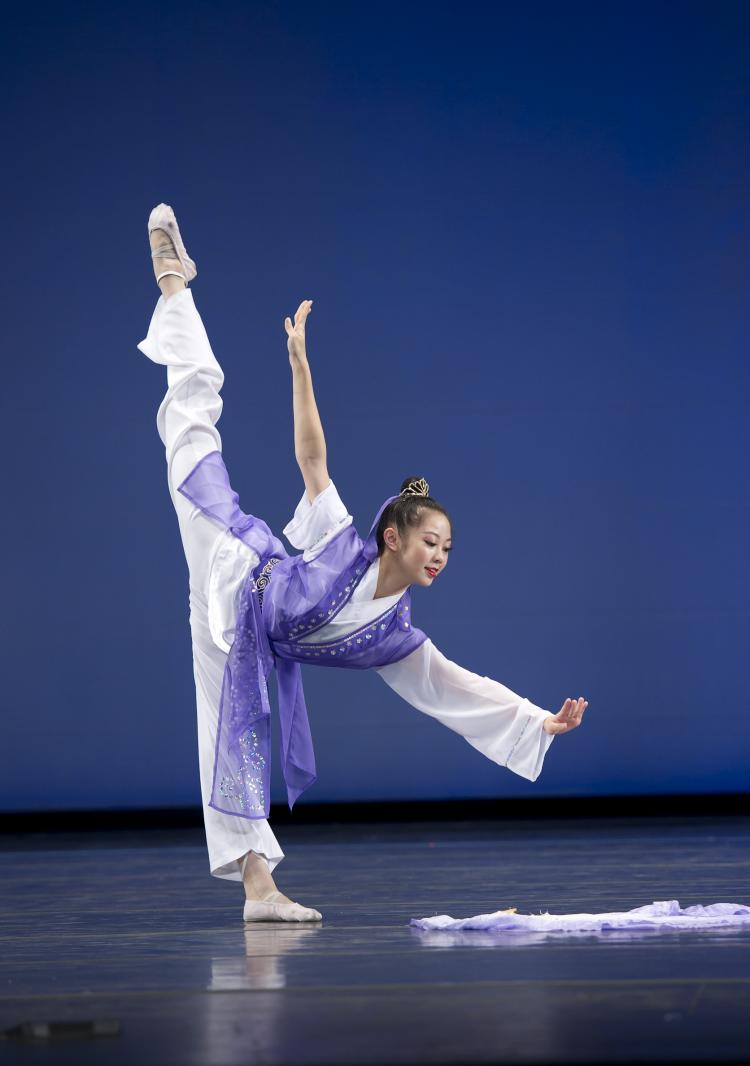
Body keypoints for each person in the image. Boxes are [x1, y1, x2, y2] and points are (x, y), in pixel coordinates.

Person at [137, 203, 588, 924]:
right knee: (194, 417)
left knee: (230, 735)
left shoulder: (393, 635)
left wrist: (539, 721)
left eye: (447, 549)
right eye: (430, 541)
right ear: (393, 537)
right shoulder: (344, 539)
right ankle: (174, 283)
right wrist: (300, 365)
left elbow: (455, 689)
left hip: (246, 642)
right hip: (231, 559)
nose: (439, 556)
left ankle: (259, 891)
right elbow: (312, 457)